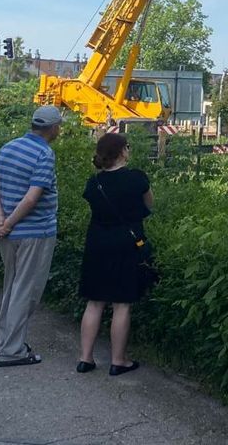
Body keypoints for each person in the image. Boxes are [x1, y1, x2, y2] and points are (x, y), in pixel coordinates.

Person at [0, 105, 62, 367]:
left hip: (10, 235)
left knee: (12, 288)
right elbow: (32, 197)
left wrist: (1, 220)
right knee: (26, 291)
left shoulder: (9, 147)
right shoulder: (44, 154)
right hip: (35, 233)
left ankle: (5, 343)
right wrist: (8, 224)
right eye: (59, 126)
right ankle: (13, 351)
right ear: (53, 128)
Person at [77, 132, 154, 376]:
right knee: (122, 304)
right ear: (122, 151)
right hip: (126, 243)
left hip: (97, 242)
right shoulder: (137, 178)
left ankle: (85, 358)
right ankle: (118, 360)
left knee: (94, 301)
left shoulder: (94, 182)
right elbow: (149, 206)